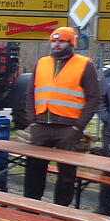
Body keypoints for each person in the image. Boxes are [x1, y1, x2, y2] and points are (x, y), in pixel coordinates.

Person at [24, 27, 100, 206]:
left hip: (68, 128)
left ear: (71, 43)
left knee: (66, 175)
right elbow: (30, 94)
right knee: (34, 170)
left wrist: (77, 127)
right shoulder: (41, 63)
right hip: (41, 126)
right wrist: (32, 122)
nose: (56, 45)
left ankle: (60, 212)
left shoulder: (85, 64)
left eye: (61, 41)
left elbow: (94, 99)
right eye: (53, 41)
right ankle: (30, 209)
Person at [97, 71, 110, 217]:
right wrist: (107, 118)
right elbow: (100, 100)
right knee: (109, 172)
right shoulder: (109, 76)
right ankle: (104, 211)